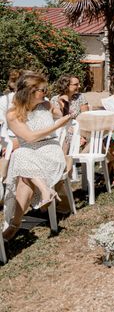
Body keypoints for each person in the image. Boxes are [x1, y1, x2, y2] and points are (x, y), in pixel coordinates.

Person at [3, 72, 70, 240]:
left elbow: (61, 115)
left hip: (50, 151)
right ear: (29, 92)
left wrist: (60, 109)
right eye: (42, 90)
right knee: (22, 157)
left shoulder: (46, 105)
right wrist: (56, 126)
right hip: (29, 152)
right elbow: (30, 138)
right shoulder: (13, 114)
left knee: (20, 158)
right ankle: (45, 190)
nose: (46, 92)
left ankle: (15, 224)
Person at [0, 69, 21, 153]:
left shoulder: (35, 100)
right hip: (10, 138)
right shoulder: (5, 99)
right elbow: (2, 123)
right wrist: (6, 143)